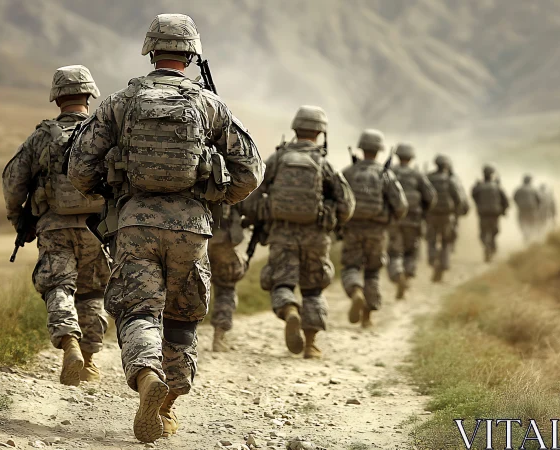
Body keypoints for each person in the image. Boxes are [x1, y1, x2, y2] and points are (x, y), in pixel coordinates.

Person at [68, 14, 263, 443]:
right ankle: (169, 403)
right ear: (191, 54)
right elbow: (250, 172)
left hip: (134, 222)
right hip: (193, 228)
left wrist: (111, 192)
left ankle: (145, 378)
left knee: (138, 310)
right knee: (182, 318)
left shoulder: (120, 101)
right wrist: (214, 198)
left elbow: (79, 166)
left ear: (150, 50)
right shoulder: (210, 104)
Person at [2, 65, 108, 387]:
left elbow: (12, 182)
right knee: (92, 291)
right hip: (98, 228)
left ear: (57, 98)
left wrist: (17, 217)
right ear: (89, 95)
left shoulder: (41, 137)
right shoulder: (103, 135)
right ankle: (88, 362)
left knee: (58, 286)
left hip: (54, 227)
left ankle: (69, 344)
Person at [257, 105, 355, 359]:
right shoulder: (323, 164)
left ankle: (290, 311)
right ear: (320, 133)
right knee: (313, 289)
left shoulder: (277, 160)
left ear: (295, 129)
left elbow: (252, 193)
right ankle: (311, 345)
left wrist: (265, 214)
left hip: (282, 233)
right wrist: (330, 220)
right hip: (316, 236)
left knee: (282, 281)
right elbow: (347, 203)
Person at [341, 130, 408, 327]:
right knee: (372, 271)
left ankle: (355, 292)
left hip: (352, 229)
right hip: (377, 231)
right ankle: (367, 317)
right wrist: (389, 220)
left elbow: (338, 199)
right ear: (379, 151)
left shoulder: (348, 172)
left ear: (361, 149)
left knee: (351, 267)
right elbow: (401, 206)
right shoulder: (385, 174)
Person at [387, 143, 437, 297]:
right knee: (411, 252)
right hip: (413, 220)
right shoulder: (418, 175)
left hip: (394, 220)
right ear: (411, 158)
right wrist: (424, 213)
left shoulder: (389, 172)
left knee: (394, 252)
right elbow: (430, 197)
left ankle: (397, 274)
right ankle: (407, 276)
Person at [208, 204, 248, 352]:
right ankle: (219, 337)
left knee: (183, 287)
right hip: (222, 240)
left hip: (192, 235)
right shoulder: (230, 180)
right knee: (225, 288)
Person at [426, 155, 469, 282]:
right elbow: (459, 198)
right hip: (447, 216)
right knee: (446, 242)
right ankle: (443, 265)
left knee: (431, 240)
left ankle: (433, 260)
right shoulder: (450, 180)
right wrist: (458, 213)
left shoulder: (429, 178)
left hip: (432, 216)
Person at [471, 164, 509, 263]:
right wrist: (504, 210)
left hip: (483, 213)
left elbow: (474, 196)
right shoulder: (497, 186)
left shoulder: (479, 186)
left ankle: (488, 247)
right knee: (494, 232)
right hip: (494, 213)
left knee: (484, 233)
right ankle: (491, 246)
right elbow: (505, 200)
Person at [512, 174, 541, 243]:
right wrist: (537, 208)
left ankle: (526, 234)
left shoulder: (518, 189)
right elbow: (539, 201)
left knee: (522, 223)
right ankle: (530, 235)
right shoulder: (533, 189)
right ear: (530, 181)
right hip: (532, 210)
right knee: (532, 223)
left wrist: (519, 205)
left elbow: (514, 198)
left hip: (522, 210)